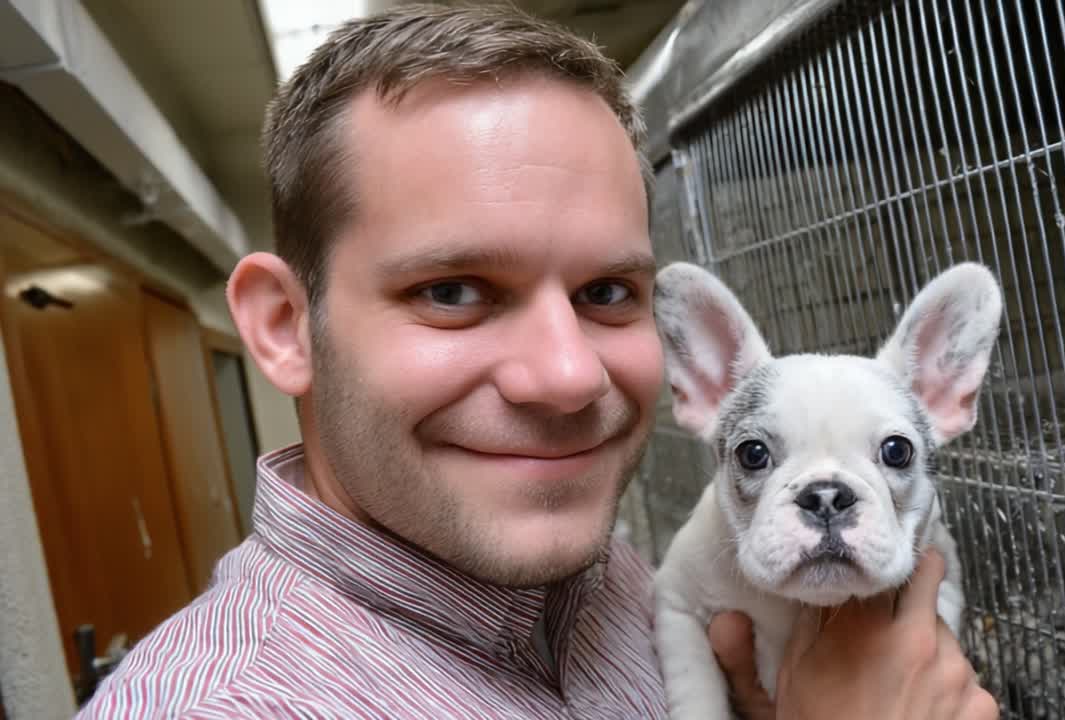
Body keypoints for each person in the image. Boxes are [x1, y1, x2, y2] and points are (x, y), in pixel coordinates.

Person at [77, 4, 997, 718]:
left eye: (605, 294)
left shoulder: (606, 579)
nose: (568, 377)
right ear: (285, 326)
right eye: (453, 291)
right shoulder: (235, 701)